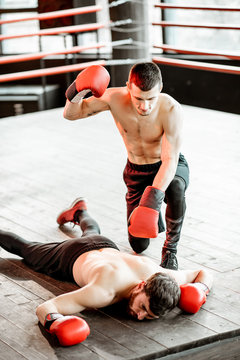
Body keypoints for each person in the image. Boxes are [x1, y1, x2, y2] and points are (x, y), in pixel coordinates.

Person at [0, 198, 213, 346]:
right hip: (69, 256)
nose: (139, 317)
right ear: (141, 285)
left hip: (104, 244)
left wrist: (200, 289)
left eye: (148, 316)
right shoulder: (103, 292)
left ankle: (80, 211)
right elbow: (46, 306)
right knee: (26, 249)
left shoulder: (165, 276)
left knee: (91, 232)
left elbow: (204, 272)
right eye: (143, 307)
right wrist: (55, 322)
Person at [63, 62, 189, 271]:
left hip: (166, 166)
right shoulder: (114, 98)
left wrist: (153, 199)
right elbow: (71, 114)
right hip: (136, 172)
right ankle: (80, 212)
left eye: (151, 99)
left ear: (160, 89)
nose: (145, 106)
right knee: (138, 245)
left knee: (176, 187)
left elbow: (170, 160)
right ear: (128, 87)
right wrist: (76, 91)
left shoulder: (171, 109)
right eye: (139, 98)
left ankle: (170, 251)